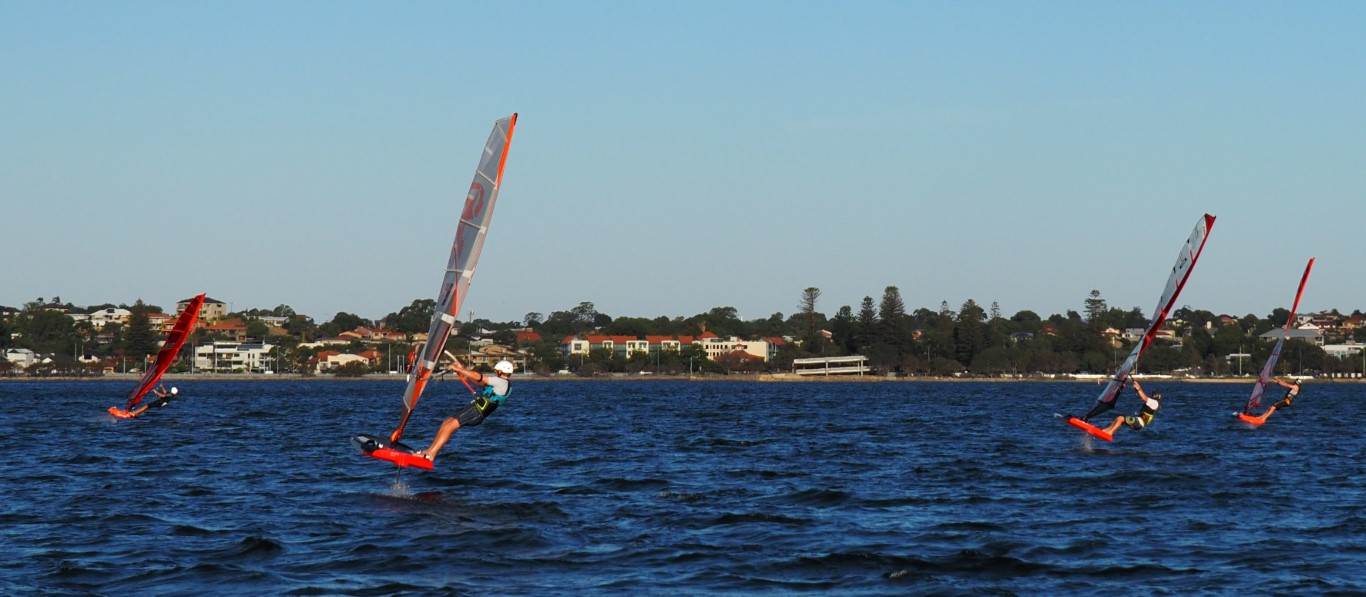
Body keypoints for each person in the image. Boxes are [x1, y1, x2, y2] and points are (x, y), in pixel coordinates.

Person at [413, 359, 514, 462]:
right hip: (475, 410)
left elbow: (478, 376)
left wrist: (458, 369)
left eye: (496, 371)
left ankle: (430, 455)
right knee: (446, 422)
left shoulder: (501, 382)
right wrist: (461, 370)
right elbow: (477, 381)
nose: (495, 372)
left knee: (449, 427)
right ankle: (428, 451)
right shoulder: (503, 383)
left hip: (476, 412)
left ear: (500, 371)